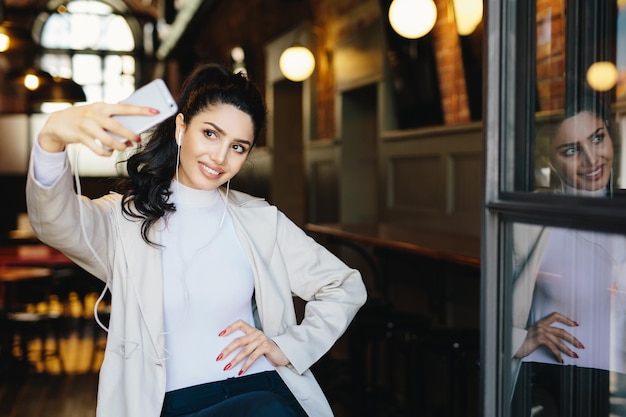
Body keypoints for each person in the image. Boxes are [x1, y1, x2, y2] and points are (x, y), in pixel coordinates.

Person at [26, 63, 367, 417]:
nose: (220, 157)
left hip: (259, 394)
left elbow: (343, 285)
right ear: (181, 128)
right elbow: (54, 223)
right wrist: (51, 140)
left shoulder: (259, 220)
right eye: (210, 134)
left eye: (238, 147)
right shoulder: (124, 219)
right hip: (165, 403)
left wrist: (290, 346)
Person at [510, 104, 626, 416]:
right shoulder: (531, 218)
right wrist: (519, 338)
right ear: (551, 159)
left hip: (620, 385)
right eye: (572, 149)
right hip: (559, 382)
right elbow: (490, 303)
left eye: (598, 139)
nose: (592, 159)